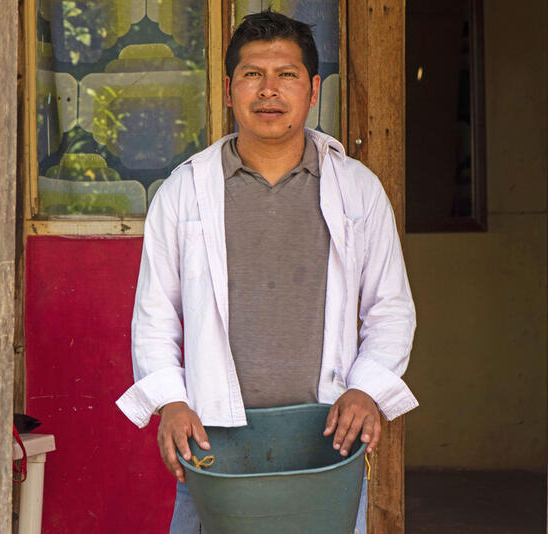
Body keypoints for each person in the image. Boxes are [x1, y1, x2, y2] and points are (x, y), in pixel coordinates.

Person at [116, 10, 417, 534]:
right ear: (230, 88)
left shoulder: (357, 190)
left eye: (288, 75)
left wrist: (367, 389)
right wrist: (170, 401)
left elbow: (389, 307)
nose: (269, 91)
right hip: (216, 438)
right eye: (254, 75)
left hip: (323, 434)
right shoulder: (185, 191)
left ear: (314, 88)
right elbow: (155, 313)